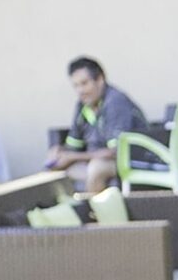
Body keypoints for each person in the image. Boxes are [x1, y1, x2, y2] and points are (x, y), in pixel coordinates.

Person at [47, 56, 145, 192]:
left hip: (132, 161)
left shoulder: (115, 102)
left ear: (100, 80)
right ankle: (70, 211)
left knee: (96, 168)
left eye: (84, 83)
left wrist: (72, 157)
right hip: (97, 160)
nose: (80, 90)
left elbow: (115, 152)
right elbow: (73, 147)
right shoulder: (82, 105)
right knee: (55, 170)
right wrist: (59, 151)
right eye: (75, 85)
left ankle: (95, 212)